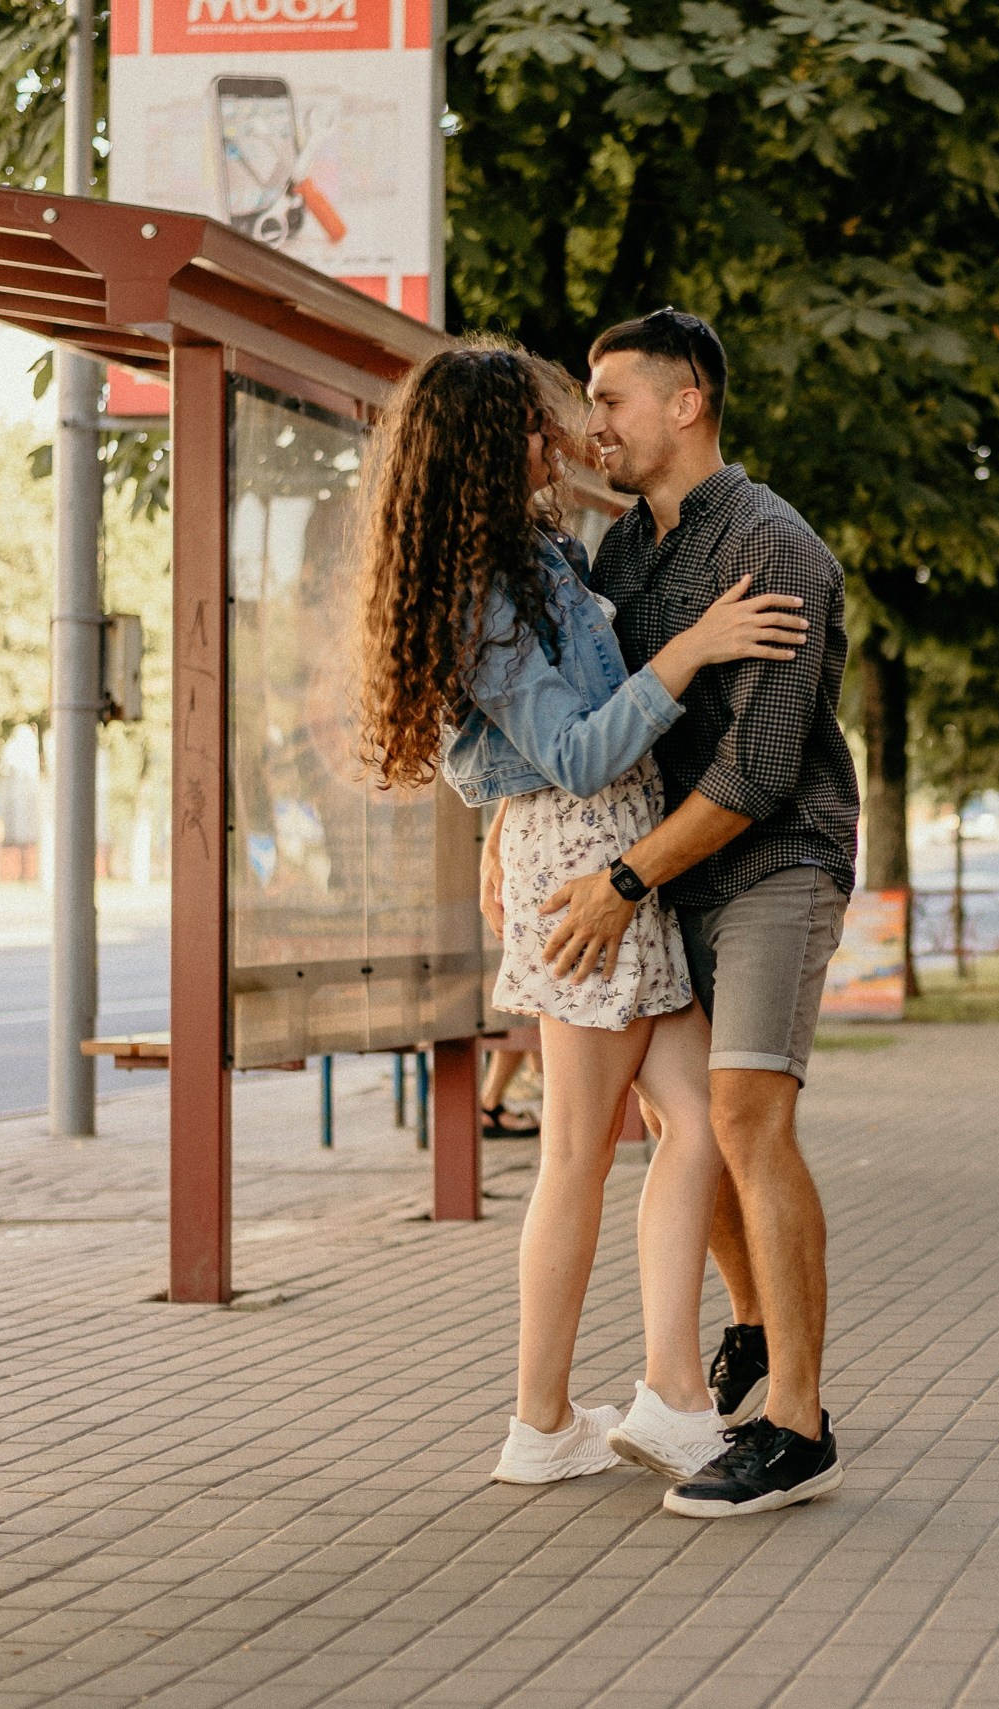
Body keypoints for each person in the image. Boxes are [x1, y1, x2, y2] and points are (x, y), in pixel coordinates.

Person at [353, 336, 809, 1489]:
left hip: (608, 853)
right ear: (484, 443)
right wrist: (695, 650)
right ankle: (541, 1419)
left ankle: (666, 1392)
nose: (559, 432)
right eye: (538, 418)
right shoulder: (489, 586)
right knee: (573, 1156)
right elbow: (565, 746)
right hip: (588, 859)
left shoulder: (533, 551)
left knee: (694, 1122)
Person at [538, 308, 861, 1519]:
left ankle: (799, 1424)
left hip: (774, 856)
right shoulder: (622, 551)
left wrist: (620, 886)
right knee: (692, 1120)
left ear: (685, 405)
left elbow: (761, 766)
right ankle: (754, 1330)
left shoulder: (777, 546)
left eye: (610, 396)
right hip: (671, 871)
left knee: (743, 1110)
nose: (593, 420)